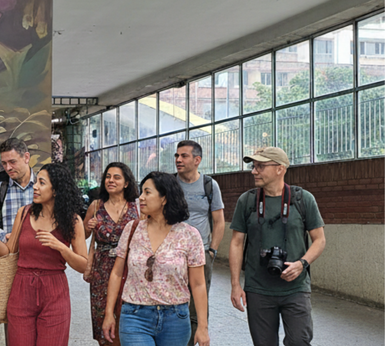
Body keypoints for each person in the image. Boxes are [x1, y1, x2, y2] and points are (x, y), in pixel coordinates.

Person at [0, 163, 88, 346]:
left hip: (55, 290)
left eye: (42, 183)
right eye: (36, 181)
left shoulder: (73, 220)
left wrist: (61, 247)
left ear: (56, 190)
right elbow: (8, 252)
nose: (35, 187)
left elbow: (83, 265)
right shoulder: (24, 213)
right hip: (22, 289)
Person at [229, 147, 326, 346]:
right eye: (253, 166)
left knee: (300, 341)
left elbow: (320, 240)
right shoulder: (247, 201)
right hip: (258, 289)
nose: (253, 171)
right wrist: (235, 284)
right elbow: (236, 243)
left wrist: (302, 264)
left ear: (280, 169)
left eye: (260, 166)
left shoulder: (303, 199)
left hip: (296, 288)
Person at [103, 171, 209, 346]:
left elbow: (198, 284)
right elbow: (116, 273)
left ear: (164, 198)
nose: (141, 198)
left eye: (147, 192)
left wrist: (203, 326)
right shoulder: (132, 229)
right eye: (141, 192)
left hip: (175, 318)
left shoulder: (189, 235)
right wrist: (109, 314)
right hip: (134, 315)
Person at [174, 140, 225, 346]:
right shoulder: (169, 184)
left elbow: (219, 220)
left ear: (197, 160)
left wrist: (212, 250)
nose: (178, 160)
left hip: (201, 253)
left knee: (196, 305)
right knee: (173, 303)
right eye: (177, 156)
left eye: (184, 156)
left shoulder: (209, 185)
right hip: (172, 255)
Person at [83, 162, 140, 346]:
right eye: (108, 176)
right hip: (102, 270)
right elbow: (83, 235)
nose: (111, 180)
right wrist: (88, 226)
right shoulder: (96, 205)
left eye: (116, 177)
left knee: (128, 315)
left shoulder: (137, 208)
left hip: (129, 269)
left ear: (126, 183)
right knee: (104, 319)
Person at [0, 138, 36, 242]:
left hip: (39, 255)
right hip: (9, 254)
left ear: (26, 157)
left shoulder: (43, 187)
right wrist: (7, 237)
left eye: (12, 162)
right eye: (4, 163)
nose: (8, 168)